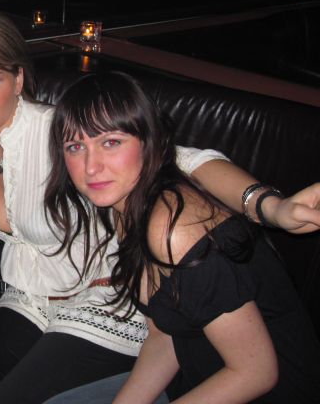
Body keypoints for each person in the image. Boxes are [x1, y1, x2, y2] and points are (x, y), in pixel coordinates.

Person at [0, 8, 319, 404]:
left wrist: (270, 207)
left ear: (18, 78)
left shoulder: (61, 133)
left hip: (101, 301)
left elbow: (184, 161)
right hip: (30, 299)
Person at [43, 72, 320, 403]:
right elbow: (165, 335)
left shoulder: (175, 228)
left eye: (111, 142)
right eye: (75, 147)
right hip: (197, 375)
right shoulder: (125, 208)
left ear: (149, 142)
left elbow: (256, 373)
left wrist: (273, 207)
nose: (91, 167)